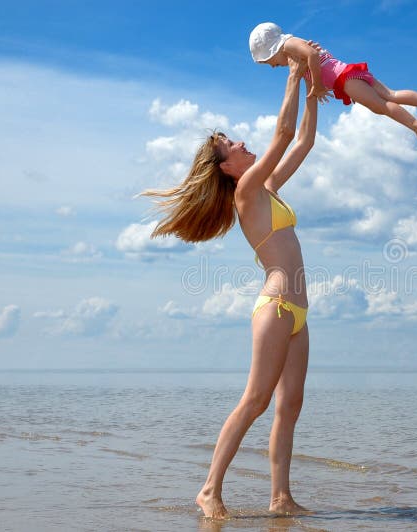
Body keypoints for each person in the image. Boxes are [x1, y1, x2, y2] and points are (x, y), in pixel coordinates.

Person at [139, 57, 316, 519]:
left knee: (289, 405)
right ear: (227, 168)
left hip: (298, 313)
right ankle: (209, 489)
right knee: (255, 400)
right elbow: (281, 136)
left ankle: (280, 497)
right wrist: (294, 75)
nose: (241, 142)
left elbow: (302, 141)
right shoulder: (246, 193)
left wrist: (315, 92)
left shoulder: (268, 188)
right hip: (276, 305)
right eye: (230, 144)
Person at [249, 21, 417, 153]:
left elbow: (313, 55)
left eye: (270, 61)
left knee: (380, 106)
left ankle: (415, 125)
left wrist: (319, 85)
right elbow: (309, 67)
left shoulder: (289, 45)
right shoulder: (294, 52)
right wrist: (314, 88)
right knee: (391, 94)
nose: (274, 65)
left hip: (344, 79)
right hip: (346, 73)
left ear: (272, 49)